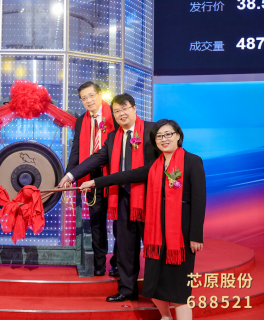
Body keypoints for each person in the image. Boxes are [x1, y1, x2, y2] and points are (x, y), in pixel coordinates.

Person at [80, 119, 206, 320]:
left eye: (168, 134)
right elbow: (125, 175)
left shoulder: (192, 161)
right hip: (155, 231)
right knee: (154, 283)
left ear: (178, 136)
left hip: (180, 233)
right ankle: (165, 316)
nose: (164, 139)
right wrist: (95, 181)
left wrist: (196, 235)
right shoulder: (154, 166)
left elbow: (199, 200)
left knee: (180, 288)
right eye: (159, 136)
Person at [59, 93, 160, 302]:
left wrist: (99, 181)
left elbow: (155, 166)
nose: (121, 114)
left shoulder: (151, 131)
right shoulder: (113, 137)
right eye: (116, 111)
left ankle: (155, 291)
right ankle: (126, 289)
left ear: (134, 109)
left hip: (148, 199)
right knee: (125, 245)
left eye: (125, 109)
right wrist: (70, 175)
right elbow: (96, 158)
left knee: (151, 246)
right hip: (122, 197)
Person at [65, 81, 119, 277]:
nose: (88, 101)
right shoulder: (81, 121)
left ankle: (117, 262)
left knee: (118, 222)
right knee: (96, 222)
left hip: (113, 175)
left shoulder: (114, 114)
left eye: (91, 96)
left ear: (100, 94)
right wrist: (69, 174)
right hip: (90, 178)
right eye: (84, 98)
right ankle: (98, 263)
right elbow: (76, 150)